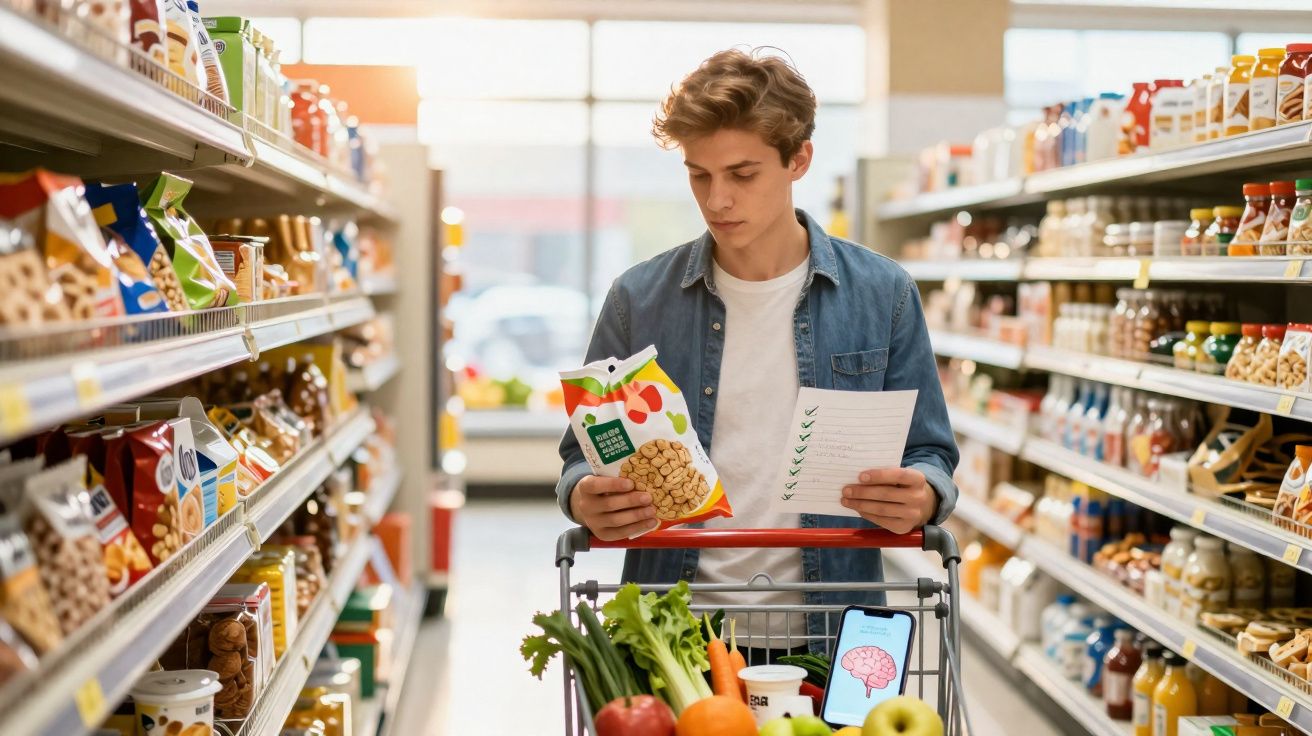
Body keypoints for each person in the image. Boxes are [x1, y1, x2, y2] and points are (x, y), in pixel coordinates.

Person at [555, 48, 958, 658]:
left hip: (832, 632)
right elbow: (579, 456)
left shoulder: (884, 294)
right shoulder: (638, 300)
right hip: (677, 634)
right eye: (699, 175)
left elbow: (929, 450)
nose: (717, 200)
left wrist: (923, 494)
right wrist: (584, 496)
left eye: (742, 175)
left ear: (799, 160)